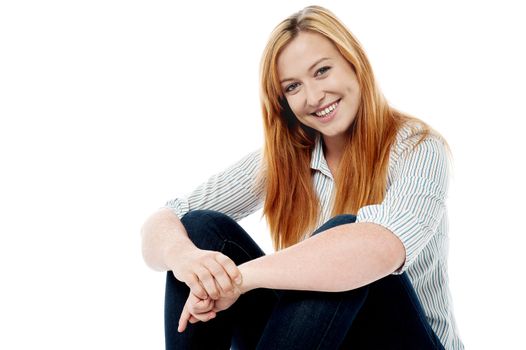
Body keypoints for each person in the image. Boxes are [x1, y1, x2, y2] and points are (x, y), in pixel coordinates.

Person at [141, 5, 464, 349]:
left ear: (354, 63)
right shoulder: (286, 158)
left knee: (345, 245)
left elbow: (380, 248)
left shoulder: (417, 148)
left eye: (322, 71)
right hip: (317, 337)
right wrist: (188, 260)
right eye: (293, 86)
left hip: (406, 341)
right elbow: (166, 218)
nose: (313, 97)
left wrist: (236, 279)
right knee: (201, 229)